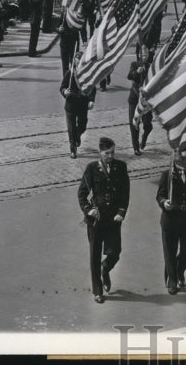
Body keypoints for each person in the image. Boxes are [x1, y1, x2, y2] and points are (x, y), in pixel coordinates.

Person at [77, 137, 130, 303]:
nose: (110, 156)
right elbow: (82, 194)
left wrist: (121, 212)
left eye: (113, 152)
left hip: (113, 218)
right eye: (107, 153)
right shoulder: (91, 168)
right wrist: (88, 209)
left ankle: (105, 268)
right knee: (94, 254)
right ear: (100, 153)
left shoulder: (121, 167)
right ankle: (97, 291)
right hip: (96, 219)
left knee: (115, 252)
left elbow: (125, 193)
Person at [156, 151, 186, 294]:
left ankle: (178, 270)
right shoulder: (168, 174)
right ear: (177, 160)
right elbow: (160, 195)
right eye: (183, 158)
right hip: (170, 220)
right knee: (169, 252)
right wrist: (164, 203)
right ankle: (172, 281)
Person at [61, 61, 96, 158]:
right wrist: (65, 91)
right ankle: (73, 149)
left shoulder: (87, 73)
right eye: (76, 63)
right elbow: (62, 87)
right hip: (71, 104)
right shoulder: (69, 73)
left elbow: (92, 87)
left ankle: (77, 136)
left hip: (82, 104)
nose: (78, 65)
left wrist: (91, 100)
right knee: (71, 128)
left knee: (83, 125)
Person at [127, 51, 153, 155]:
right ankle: (136, 147)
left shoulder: (151, 66)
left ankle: (144, 137)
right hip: (134, 98)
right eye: (142, 54)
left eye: (146, 54)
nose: (144, 56)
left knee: (147, 124)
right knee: (134, 123)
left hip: (146, 99)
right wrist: (137, 72)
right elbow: (129, 76)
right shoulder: (135, 64)